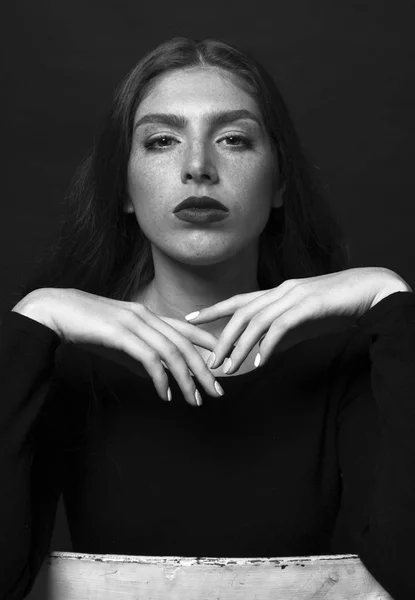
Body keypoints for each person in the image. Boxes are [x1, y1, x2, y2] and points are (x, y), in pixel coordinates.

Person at [1, 36, 414, 600]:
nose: (198, 167)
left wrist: (390, 299)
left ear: (280, 183)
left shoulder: (344, 360)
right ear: (122, 187)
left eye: (235, 139)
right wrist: (32, 320)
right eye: (163, 140)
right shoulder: (67, 360)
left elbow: (408, 570)